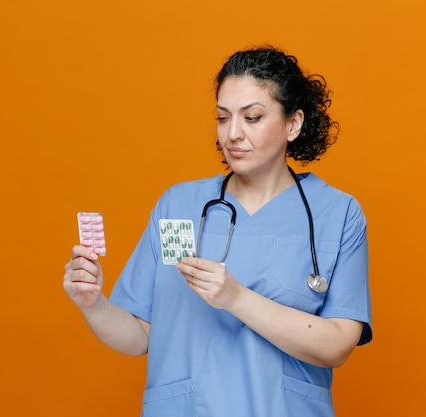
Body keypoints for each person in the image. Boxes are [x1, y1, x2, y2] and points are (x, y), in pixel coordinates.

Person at [63, 46, 372, 417]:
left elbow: (337, 345)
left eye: (252, 117)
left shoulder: (337, 214)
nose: (233, 134)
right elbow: (139, 335)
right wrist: (94, 304)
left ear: (293, 124)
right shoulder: (178, 206)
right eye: (223, 118)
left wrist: (236, 298)